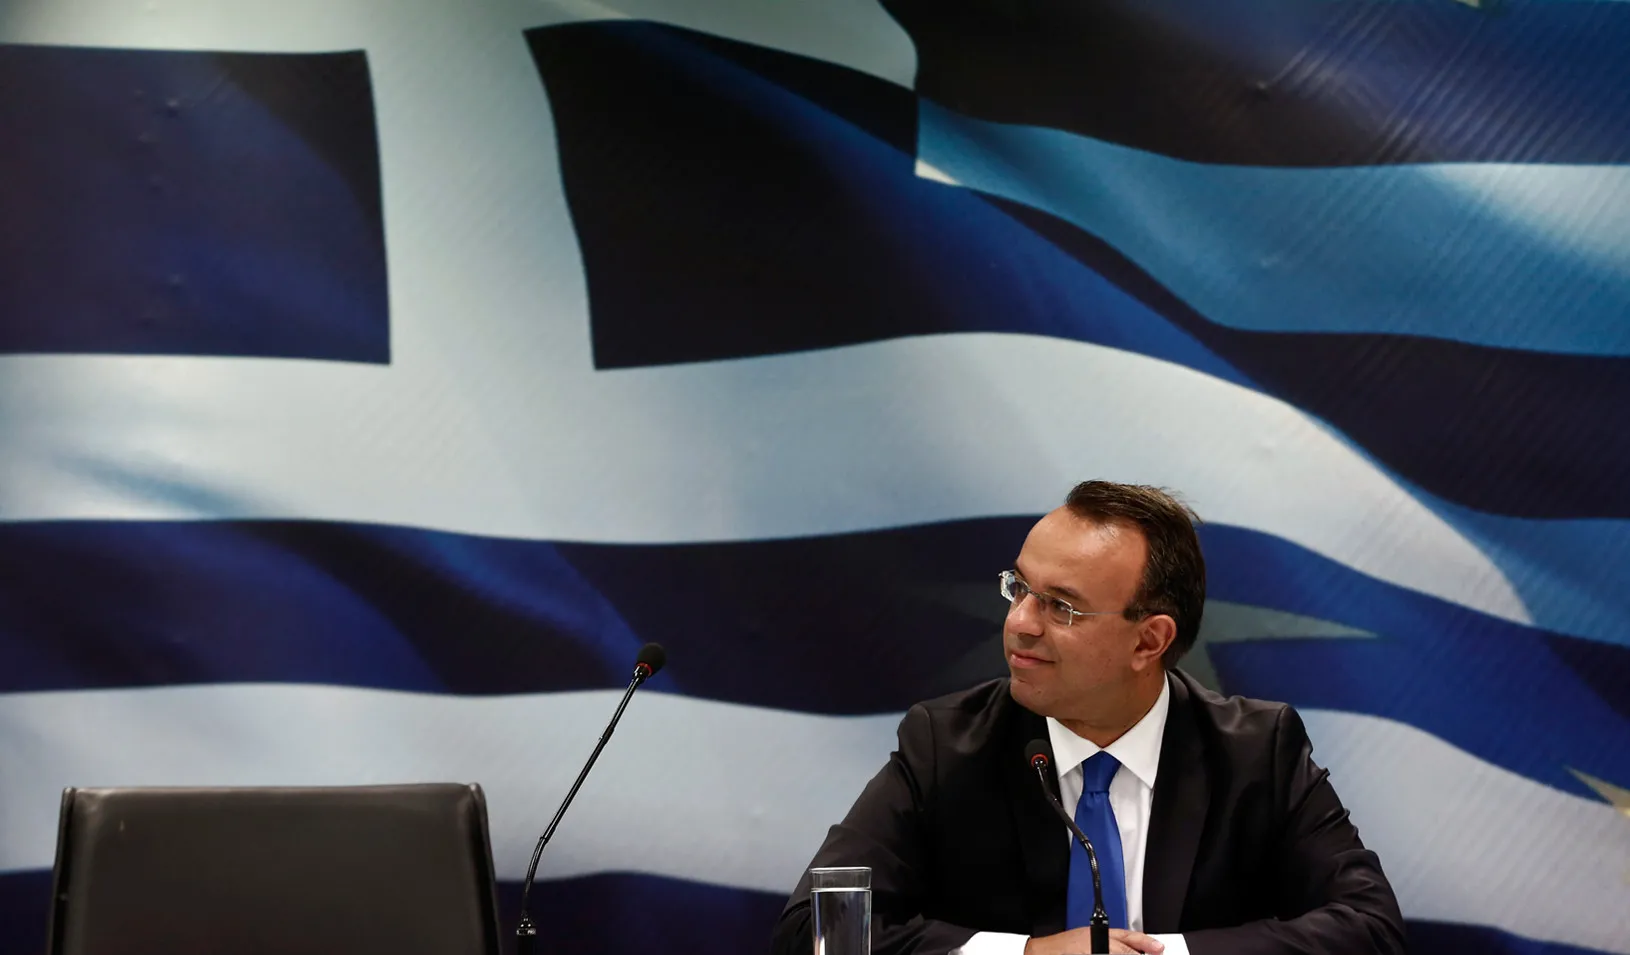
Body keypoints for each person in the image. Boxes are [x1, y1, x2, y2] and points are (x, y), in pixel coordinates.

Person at [769, 481, 1405, 955]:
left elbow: (1371, 928)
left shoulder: (1254, 752)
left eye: (1062, 608)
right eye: (1019, 589)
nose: (1019, 623)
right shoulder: (948, 745)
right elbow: (817, 932)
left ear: (1148, 642)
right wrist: (1024, 954)